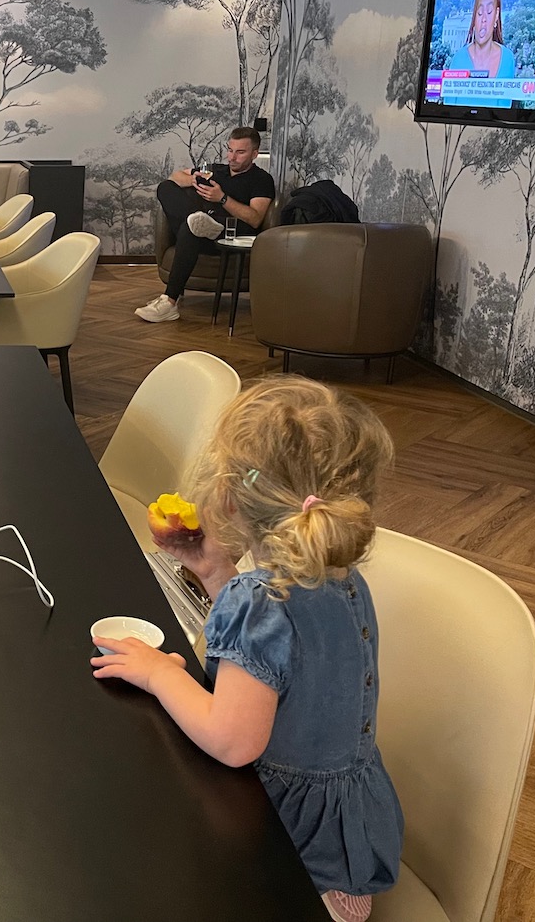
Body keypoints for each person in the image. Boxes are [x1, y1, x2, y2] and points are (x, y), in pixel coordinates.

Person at [93, 376, 403, 922]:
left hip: (292, 861)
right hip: (347, 842)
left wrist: (160, 675)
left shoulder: (259, 600)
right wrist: (215, 573)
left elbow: (234, 742)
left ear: (229, 499)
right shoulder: (343, 578)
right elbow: (271, 664)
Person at [136, 126, 275, 323]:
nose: (232, 157)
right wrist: (192, 179)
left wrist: (223, 198)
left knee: (190, 229)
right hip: (201, 227)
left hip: (229, 233)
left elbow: (255, 218)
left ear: (254, 154)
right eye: (230, 150)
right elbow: (175, 177)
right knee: (165, 188)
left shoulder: (261, 179)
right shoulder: (215, 170)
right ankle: (197, 220)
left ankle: (169, 302)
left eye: (240, 152)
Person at [445, 0, 515, 80]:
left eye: (489, 11)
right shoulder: (458, 60)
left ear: (496, 15)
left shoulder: (508, 59)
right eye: (480, 12)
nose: (484, 19)